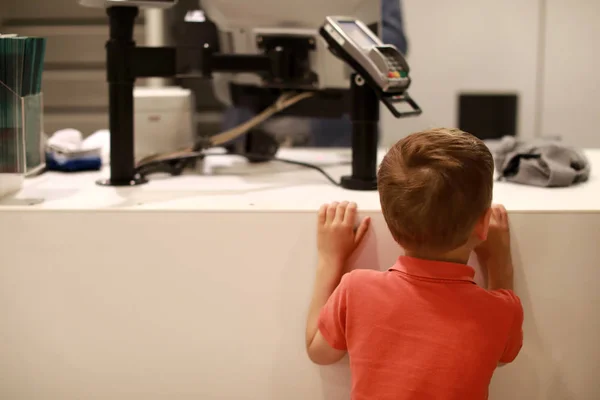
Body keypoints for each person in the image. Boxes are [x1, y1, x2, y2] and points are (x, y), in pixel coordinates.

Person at [305, 128, 524, 399]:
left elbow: (319, 351)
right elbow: (503, 355)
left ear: (391, 224)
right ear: (483, 225)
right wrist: (499, 261)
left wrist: (330, 259)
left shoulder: (356, 289)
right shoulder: (500, 310)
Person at [222, 0, 409, 147]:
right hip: (247, 128)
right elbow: (218, 23)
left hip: (337, 136)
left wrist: (339, 36)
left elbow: (393, 43)